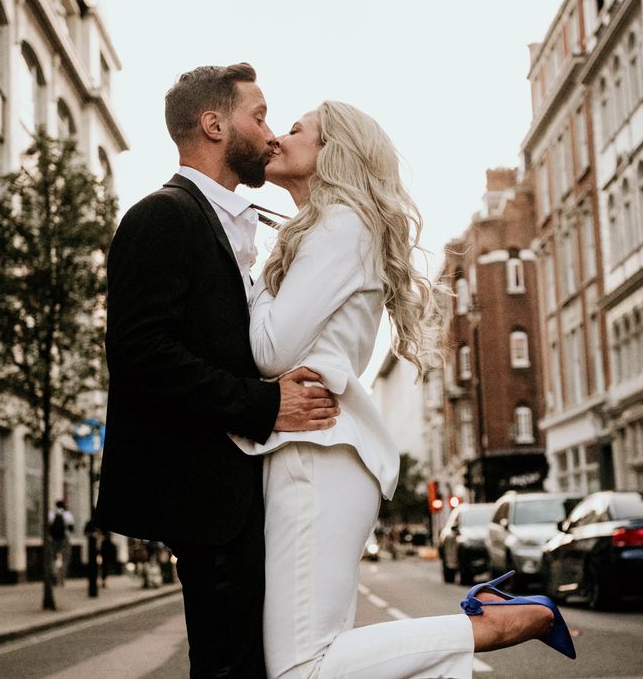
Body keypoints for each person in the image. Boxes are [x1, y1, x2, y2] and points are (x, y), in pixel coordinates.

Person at [237, 101, 575, 678]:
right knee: (327, 657)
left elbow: (271, 351)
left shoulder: (343, 225)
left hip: (317, 455)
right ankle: (473, 631)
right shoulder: (333, 229)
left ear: (333, 153)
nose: (278, 140)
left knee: (300, 668)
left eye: (296, 130)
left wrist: (246, 270)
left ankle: (481, 626)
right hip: (320, 454)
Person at [93, 63, 339, 679]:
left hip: (232, 495)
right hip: (204, 498)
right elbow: (140, 352)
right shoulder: (161, 215)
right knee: (231, 667)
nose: (269, 133)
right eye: (258, 117)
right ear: (214, 124)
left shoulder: (231, 222)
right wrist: (264, 405)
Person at [48, 499, 74, 587]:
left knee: (52, 558)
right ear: (63, 506)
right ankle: (62, 579)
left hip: (53, 539)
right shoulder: (67, 515)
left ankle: (54, 574)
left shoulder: (51, 514)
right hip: (64, 539)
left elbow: (48, 527)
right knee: (65, 559)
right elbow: (71, 528)